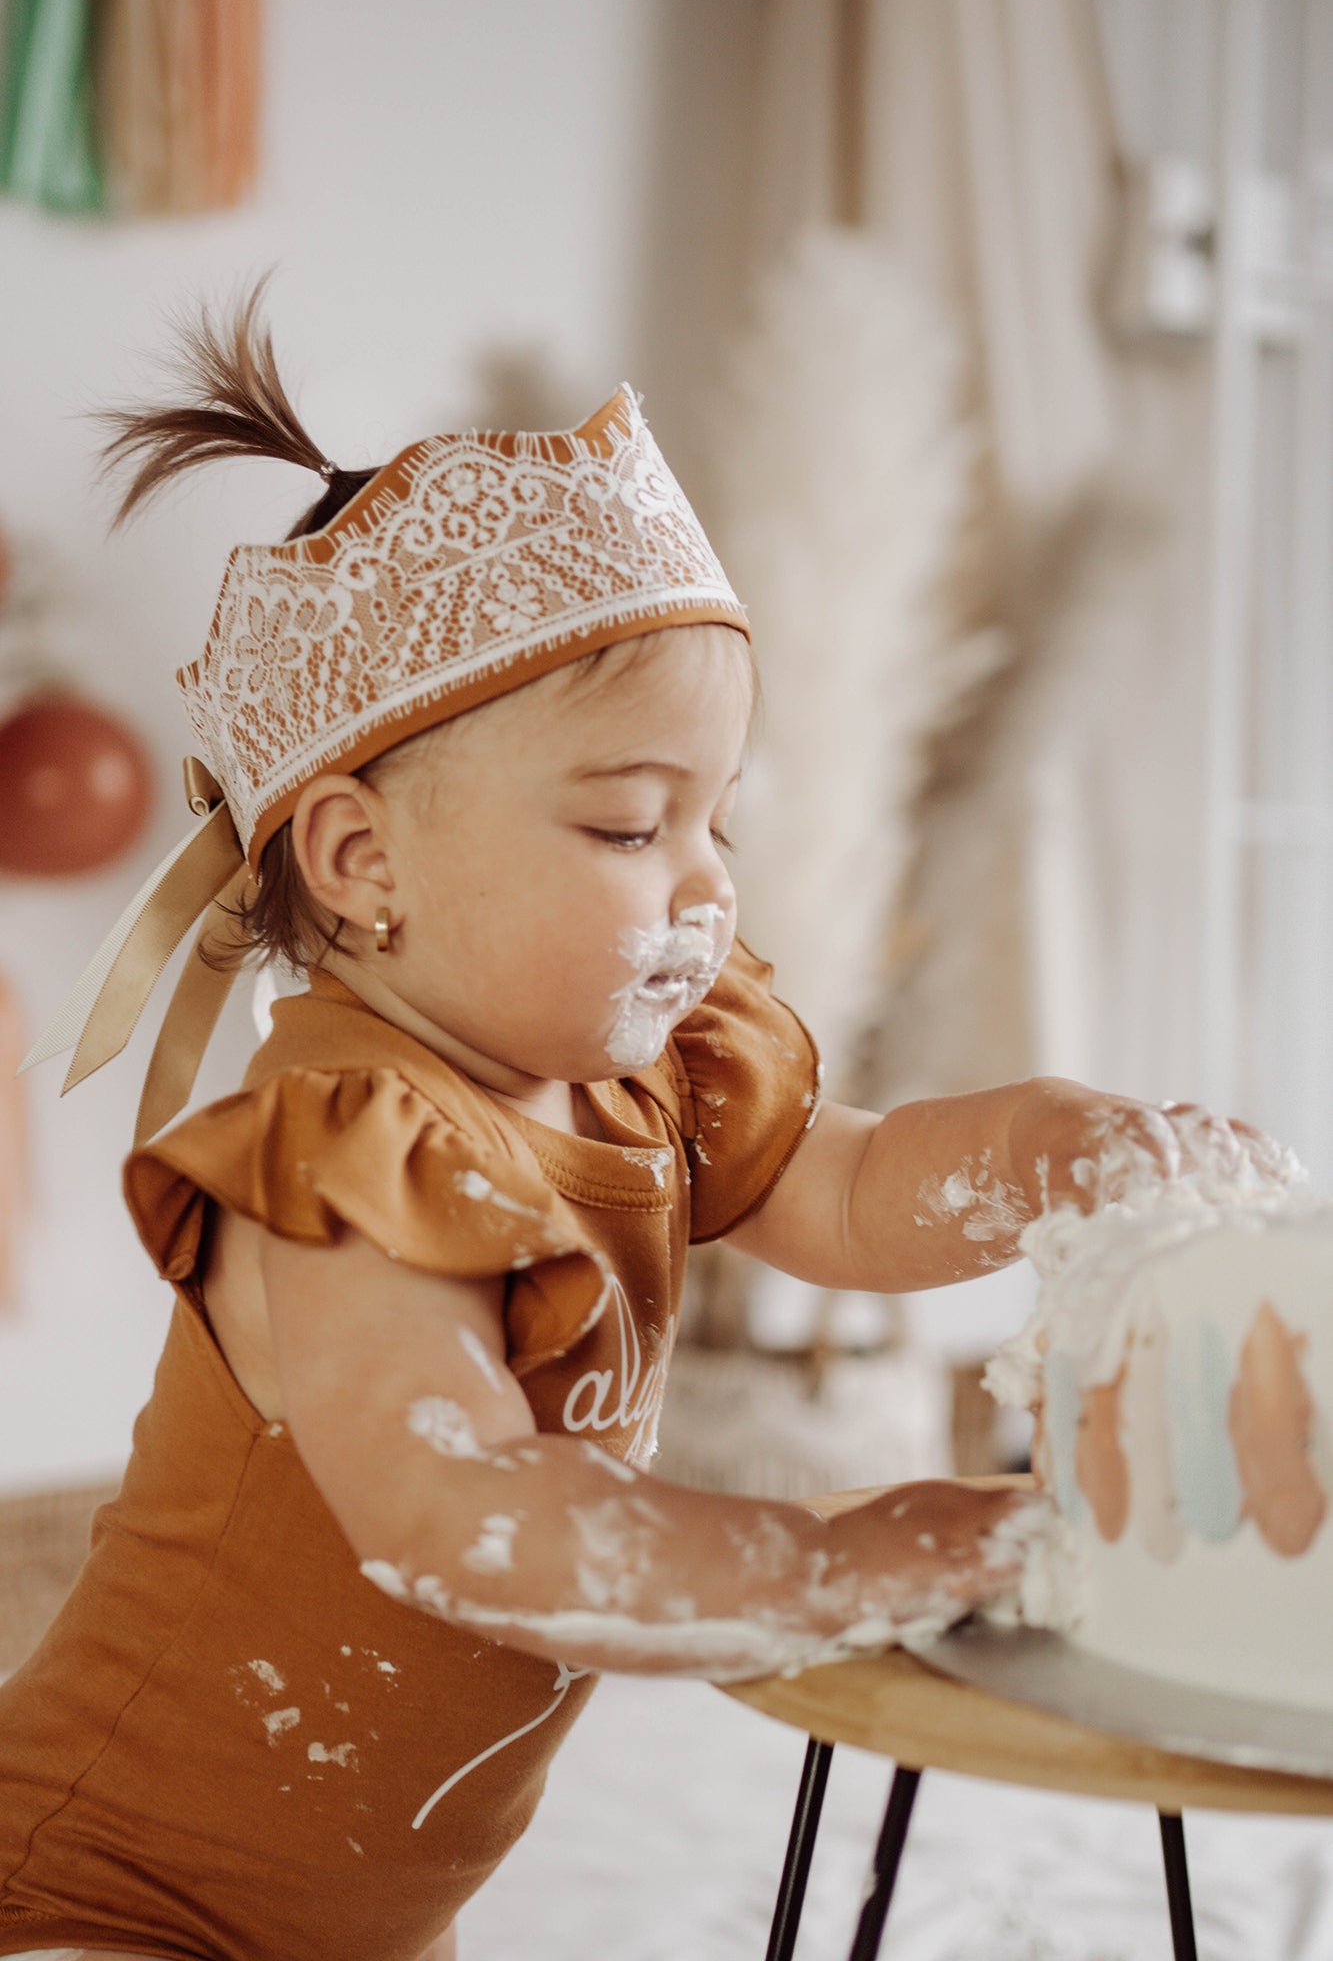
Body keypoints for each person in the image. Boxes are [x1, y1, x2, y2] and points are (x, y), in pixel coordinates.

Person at [0, 290, 1267, 1961]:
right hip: (114, 1899)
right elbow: (467, 1515)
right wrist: (826, 1558)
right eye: (625, 825)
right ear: (361, 863)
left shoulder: (637, 1083)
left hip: (366, 1923)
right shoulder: (339, 1148)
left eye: (715, 819)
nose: (705, 882)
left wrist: (1050, 1148)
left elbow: (858, 1182)